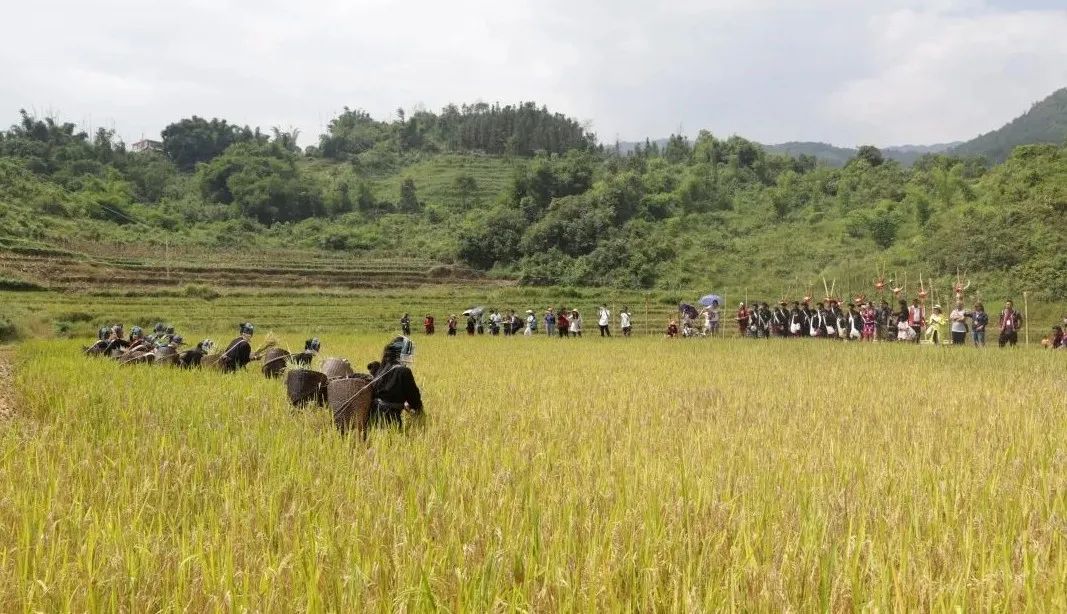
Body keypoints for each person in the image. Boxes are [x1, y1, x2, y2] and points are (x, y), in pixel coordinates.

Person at [368, 336, 423, 435]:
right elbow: (414, 398)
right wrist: (420, 413)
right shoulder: (403, 371)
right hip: (390, 420)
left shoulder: (383, 367)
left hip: (372, 417)